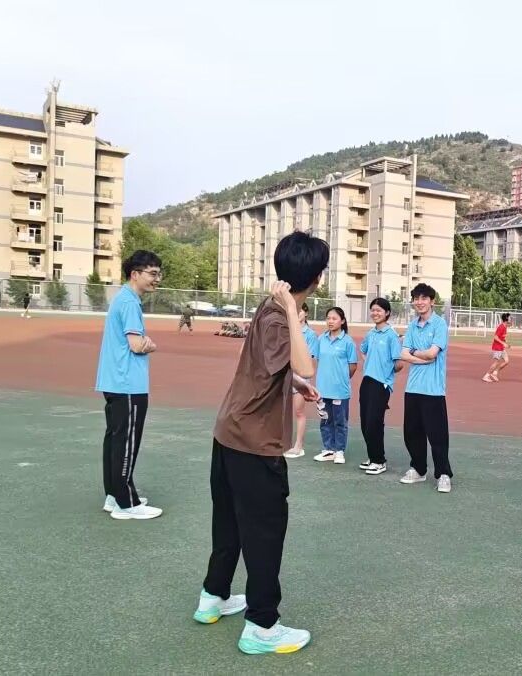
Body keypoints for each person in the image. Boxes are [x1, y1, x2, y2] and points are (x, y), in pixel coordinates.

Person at [196, 231, 328, 655]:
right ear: (318, 278)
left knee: (229, 524)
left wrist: (296, 383)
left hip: (229, 433)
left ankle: (213, 596)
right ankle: (262, 625)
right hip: (254, 443)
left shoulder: (268, 306)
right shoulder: (279, 315)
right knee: (265, 534)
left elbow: (273, 365)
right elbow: (306, 361)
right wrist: (293, 310)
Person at [95, 250, 163, 520]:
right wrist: (150, 345)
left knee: (115, 440)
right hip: (128, 384)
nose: (157, 279)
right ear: (135, 274)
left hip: (115, 381)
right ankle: (127, 502)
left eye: (159, 274)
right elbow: (136, 344)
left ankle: (114, 496)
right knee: (126, 442)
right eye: (152, 273)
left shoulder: (121, 298)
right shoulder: (130, 302)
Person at [399, 283, 452, 493]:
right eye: (416, 298)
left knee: (437, 435)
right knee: (412, 432)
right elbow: (404, 354)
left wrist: (415, 353)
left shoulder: (439, 324)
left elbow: (432, 353)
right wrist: (420, 356)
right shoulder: (412, 326)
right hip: (413, 388)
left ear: (432, 301)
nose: (419, 302)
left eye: (424, 298)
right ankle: (418, 469)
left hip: (433, 390)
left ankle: (443, 474)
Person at [357, 297, 404, 475]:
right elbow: (363, 350)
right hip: (367, 381)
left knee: (374, 422)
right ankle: (372, 457)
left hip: (381, 384)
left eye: (379, 310)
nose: (375, 313)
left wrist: (385, 371)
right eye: (373, 310)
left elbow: (399, 363)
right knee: (365, 422)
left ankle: (379, 460)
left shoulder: (391, 335)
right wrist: (370, 363)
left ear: (387, 313)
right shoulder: (371, 334)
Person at [312, 307, 358, 465]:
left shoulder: (348, 342)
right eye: (328, 318)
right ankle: (328, 449)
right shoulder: (321, 339)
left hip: (340, 390)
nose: (330, 321)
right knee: (325, 420)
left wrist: (341, 379)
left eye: (334, 318)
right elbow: (319, 361)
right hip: (322, 389)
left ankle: (339, 451)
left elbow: (353, 366)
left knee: (340, 422)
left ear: (342, 321)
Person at [285, 303, 318, 459]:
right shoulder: (286, 330)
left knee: (299, 411)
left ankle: (299, 446)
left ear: (306, 313)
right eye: (295, 310)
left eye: (301, 311)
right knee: (282, 411)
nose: (298, 313)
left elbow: (308, 358)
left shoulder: (310, 335)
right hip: (285, 375)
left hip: (301, 378)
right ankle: (282, 443)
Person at [482, 313, 511, 382]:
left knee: (506, 361)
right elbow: (495, 337)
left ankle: (495, 373)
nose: (511, 319)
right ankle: (486, 376)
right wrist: (503, 343)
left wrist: (505, 342)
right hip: (497, 347)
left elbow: (501, 337)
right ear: (506, 319)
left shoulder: (505, 327)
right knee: (496, 362)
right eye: (510, 318)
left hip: (501, 347)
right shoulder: (501, 327)